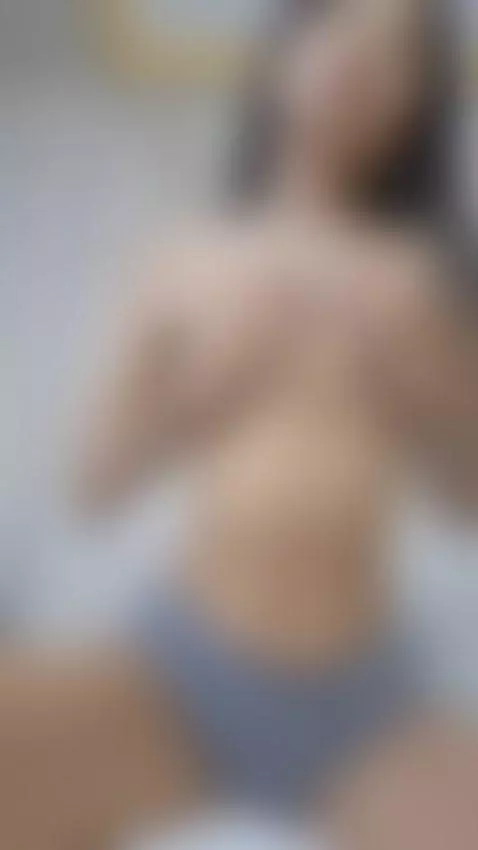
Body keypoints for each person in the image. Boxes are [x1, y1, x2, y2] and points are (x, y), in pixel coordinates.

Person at [1, 1, 477, 848]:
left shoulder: (418, 280)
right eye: (335, 31)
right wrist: (198, 396)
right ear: (285, 57)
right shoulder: (186, 261)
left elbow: (469, 489)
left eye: (393, 54)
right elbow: (95, 480)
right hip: (181, 676)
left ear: (416, 100)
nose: (356, 66)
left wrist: (414, 377)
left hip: (368, 702)